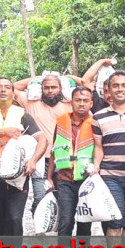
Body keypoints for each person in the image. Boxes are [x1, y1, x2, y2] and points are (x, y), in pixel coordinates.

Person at [0, 77, 47, 237]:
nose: (3, 90)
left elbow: (42, 139)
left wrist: (33, 161)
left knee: (14, 217)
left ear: (13, 92)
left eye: (7, 87)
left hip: (18, 175)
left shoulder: (23, 115)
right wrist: (3, 132)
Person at [14, 74, 81, 215]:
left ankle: (58, 231)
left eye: (54, 87)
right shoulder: (31, 103)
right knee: (40, 197)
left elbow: (86, 88)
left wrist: (66, 77)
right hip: (38, 159)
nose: (50, 91)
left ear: (61, 88)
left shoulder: (70, 105)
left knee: (64, 199)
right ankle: (40, 233)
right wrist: (36, 78)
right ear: (41, 89)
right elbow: (13, 87)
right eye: (46, 88)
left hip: (63, 159)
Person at [92, 71, 125, 245]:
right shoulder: (98, 117)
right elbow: (98, 148)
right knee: (115, 219)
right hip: (110, 175)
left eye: (124, 85)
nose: (120, 89)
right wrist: (95, 168)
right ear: (108, 89)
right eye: (115, 86)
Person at [48, 87, 95, 237]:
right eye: (78, 100)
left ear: (91, 104)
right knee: (65, 221)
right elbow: (54, 150)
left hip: (86, 180)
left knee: (85, 222)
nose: (81, 104)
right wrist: (49, 177)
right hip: (64, 179)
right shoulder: (61, 122)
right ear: (71, 102)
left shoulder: (95, 123)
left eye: (85, 101)